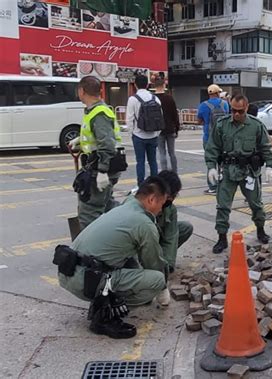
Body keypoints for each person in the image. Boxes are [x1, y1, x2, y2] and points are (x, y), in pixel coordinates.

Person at [58, 176, 171, 339]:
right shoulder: (144, 224)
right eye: (162, 204)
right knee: (156, 279)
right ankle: (105, 315)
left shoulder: (124, 207)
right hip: (85, 280)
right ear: (152, 199)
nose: (161, 210)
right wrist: (163, 286)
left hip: (70, 271)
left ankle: (102, 300)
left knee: (131, 262)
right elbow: (153, 262)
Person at [205, 94, 272, 254]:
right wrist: (211, 167)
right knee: (222, 206)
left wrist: (269, 166)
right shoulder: (222, 125)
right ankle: (222, 238)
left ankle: (260, 230)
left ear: (247, 108)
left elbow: (265, 146)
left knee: (256, 204)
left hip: (249, 172)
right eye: (233, 111)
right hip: (228, 172)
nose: (236, 114)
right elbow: (213, 147)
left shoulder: (256, 125)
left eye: (240, 111)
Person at [68, 76, 122, 230]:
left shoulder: (99, 113)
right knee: (107, 205)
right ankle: (131, 222)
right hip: (101, 165)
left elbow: (107, 144)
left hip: (101, 168)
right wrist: (80, 140)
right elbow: (98, 136)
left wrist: (102, 171)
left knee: (88, 213)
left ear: (81, 91)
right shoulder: (96, 110)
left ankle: (90, 249)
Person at [126, 74, 160, 186]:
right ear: (148, 84)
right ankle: (155, 184)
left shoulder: (133, 99)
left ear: (135, 85)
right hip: (153, 135)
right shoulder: (156, 98)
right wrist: (156, 132)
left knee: (140, 162)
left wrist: (132, 133)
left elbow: (129, 119)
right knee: (153, 161)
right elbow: (160, 118)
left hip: (138, 136)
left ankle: (141, 185)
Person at [156, 170, 193, 272]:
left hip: (158, 238)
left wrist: (168, 265)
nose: (172, 199)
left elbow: (170, 237)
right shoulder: (146, 202)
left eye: (175, 195)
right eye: (170, 195)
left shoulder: (170, 209)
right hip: (143, 243)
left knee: (185, 227)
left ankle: (162, 261)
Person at [197, 84, 230, 194]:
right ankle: (224, 185)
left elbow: (199, 121)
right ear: (217, 93)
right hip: (222, 138)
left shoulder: (203, 105)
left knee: (211, 162)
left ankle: (212, 187)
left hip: (208, 138)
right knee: (223, 162)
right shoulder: (225, 104)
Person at [155, 78, 180, 172]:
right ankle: (174, 171)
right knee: (172, 152)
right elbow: (175, 114)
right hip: (170, 128)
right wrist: (177, 128)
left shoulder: (153, 98)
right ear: (164, 85)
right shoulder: (169, 98)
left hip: (158, 129)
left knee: (162, 152)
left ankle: (164, 172)